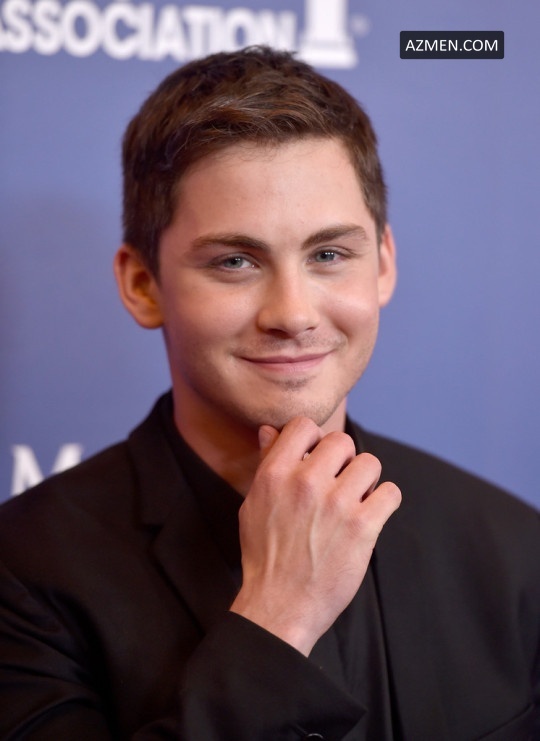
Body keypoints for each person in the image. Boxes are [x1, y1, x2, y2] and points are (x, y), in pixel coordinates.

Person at [0, 46, 539, 741]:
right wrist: (279, 616)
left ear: (383, 263)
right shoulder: (22, 572)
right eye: (235, 261)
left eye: (328, 255)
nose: (293, 312)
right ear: (142, 285)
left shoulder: (512, 552)